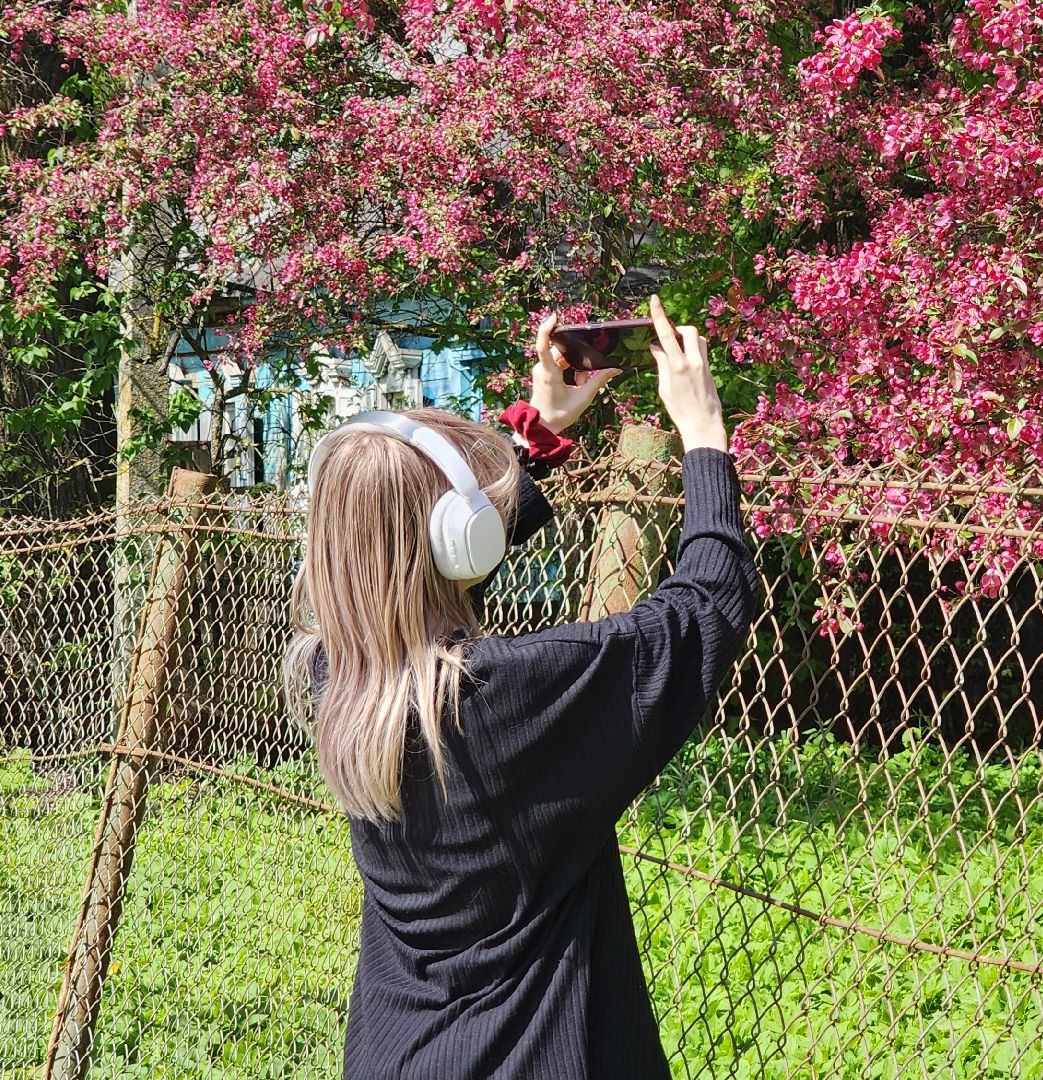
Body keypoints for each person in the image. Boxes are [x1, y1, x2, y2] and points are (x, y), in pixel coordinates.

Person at [284, 297, 757, 1079]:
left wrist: (538, 425)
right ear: (457, 540)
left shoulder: (337, 672)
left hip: (394, 1053)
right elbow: (707, 606)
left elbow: (425, 574)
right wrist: (704, 441)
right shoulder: (514, 693)